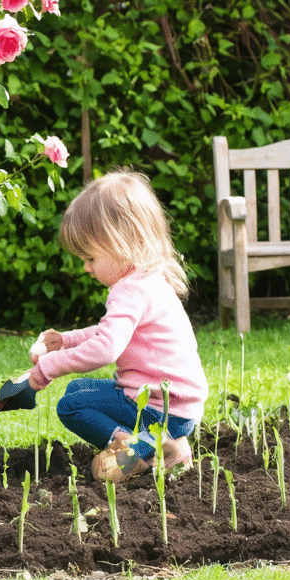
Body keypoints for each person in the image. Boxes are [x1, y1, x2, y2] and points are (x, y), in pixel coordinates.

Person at [23, 170, 207, 483]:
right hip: (178, 406)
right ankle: (170, 446)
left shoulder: (130, 290)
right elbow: (109, 332)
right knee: (78, 390)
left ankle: (135, 453)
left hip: (160, 408)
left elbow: (106, 348)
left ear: (120, 243)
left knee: (71, 406)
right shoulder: (147, 280)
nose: (86, 267)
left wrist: (47, 368)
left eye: (90, 257)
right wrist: (66, 341)